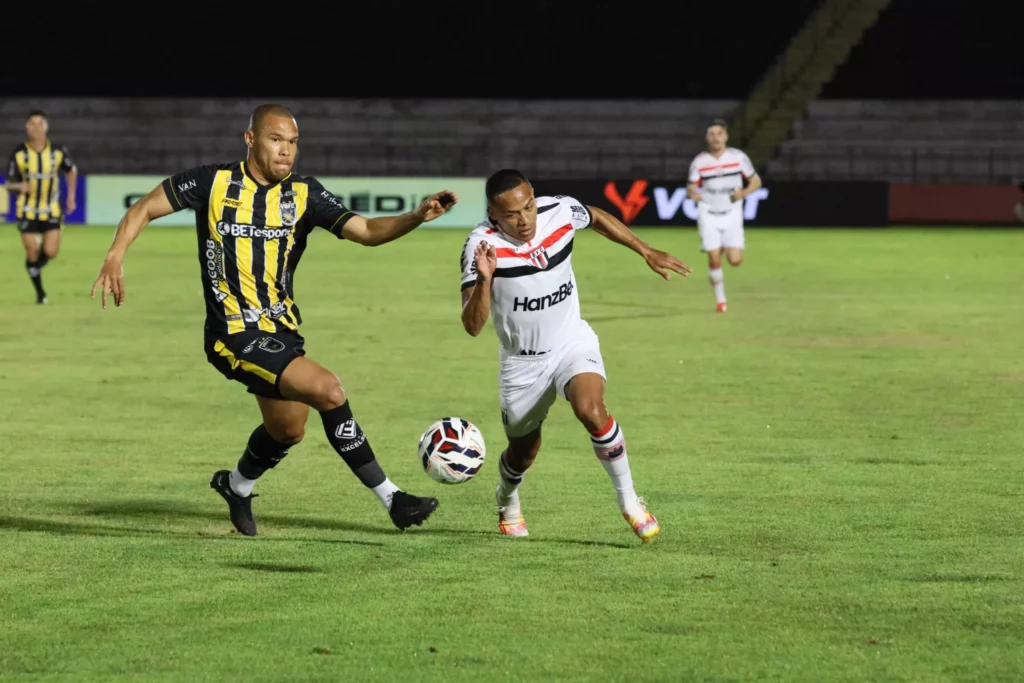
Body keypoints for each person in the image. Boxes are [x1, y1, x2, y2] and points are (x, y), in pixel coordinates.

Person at [90, 104, 456, 536]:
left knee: (287, 430)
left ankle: (236, 485)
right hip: (233, 334)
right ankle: (393, 499)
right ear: (251, 139)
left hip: (281, 332)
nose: (286, 151)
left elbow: (368, 232)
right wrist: (115, 256)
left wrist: (417, 216)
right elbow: (144, 209)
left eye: (293, 143)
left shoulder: (305, 193)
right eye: (276, 139)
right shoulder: (212, 182)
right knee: (329, 390)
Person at [459, 169, 692, 543]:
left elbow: (596, 215)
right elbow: (472, 326)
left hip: (571, 341)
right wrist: (486, 279)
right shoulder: (480, 246)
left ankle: (629, 501)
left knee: (591, 409)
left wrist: (645, 250)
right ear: (493, 215)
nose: (525, 220)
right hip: (523, 363)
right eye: (512, 215)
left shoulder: (559, 211)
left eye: (529, 206)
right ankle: (507, 496)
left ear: (535, 198)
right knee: (524, 452)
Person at [685, 119, 761, 313]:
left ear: (725, 136)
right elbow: (691, 186)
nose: (716, 138)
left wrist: (743, 194)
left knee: (735, 261)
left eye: (719, 134)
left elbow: (756, 181)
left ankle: (722, 246)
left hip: (732, 212)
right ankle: (721, 301)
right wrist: (692, 192)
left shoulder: (738, 157)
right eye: (712, 134)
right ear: (707, 138)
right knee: (713, 257)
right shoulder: (700, 161)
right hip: (708, 212)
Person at [5, 110, 77, 304]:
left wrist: (71, 196)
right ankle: (40, 293)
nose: (36, 128)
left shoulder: (57, 151)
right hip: (26, 210)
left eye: (39, 124)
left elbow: (72, 171)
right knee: (31, 251)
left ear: (46, 127)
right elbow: (9, 184)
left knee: (51, 252)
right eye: (32, 124)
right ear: (26, 128)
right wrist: (18, 186)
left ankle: (34, 267)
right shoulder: (19, 153)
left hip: (51, 209)